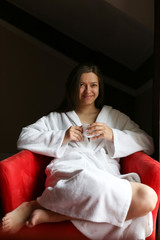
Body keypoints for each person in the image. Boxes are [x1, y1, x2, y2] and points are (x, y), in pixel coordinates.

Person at [2, 63, 157, 240]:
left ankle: (50, 211)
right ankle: (40, 205)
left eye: (93, 85)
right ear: (73, 87)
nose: (87, 90)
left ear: (100, 88)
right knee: (90, 185)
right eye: (82, 85)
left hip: (105, 176)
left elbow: (147, 142)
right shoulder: (57, 118)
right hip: (70, 172)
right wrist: (63, 136)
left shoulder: (114, 117)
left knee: (148, 197)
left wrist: (113, 134)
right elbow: (24, 137)